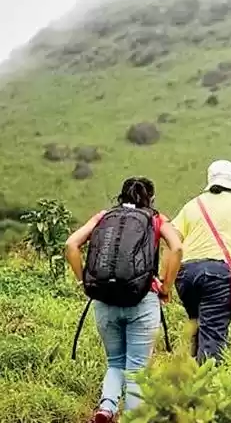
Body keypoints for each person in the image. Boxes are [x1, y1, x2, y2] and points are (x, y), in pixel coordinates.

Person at [65, 177, 183, 423]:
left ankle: (106, 408)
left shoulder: (103, 217)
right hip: (143, 299)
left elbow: (71, 244)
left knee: (115, 361)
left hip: (105, 300)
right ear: (150, 198)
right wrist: (166, 286)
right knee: (137, 367)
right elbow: (177, 248)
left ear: (121, 196)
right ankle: (131, 417)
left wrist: (83, 281)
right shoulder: (156, 219)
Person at [170, 160, 231, 364]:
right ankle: (207, 387)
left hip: (186, 273)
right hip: (218, 274)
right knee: (212, 333)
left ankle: (190, 377)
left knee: (197, 325)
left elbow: (172, 238)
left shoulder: (193, 205)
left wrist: (166, 278)